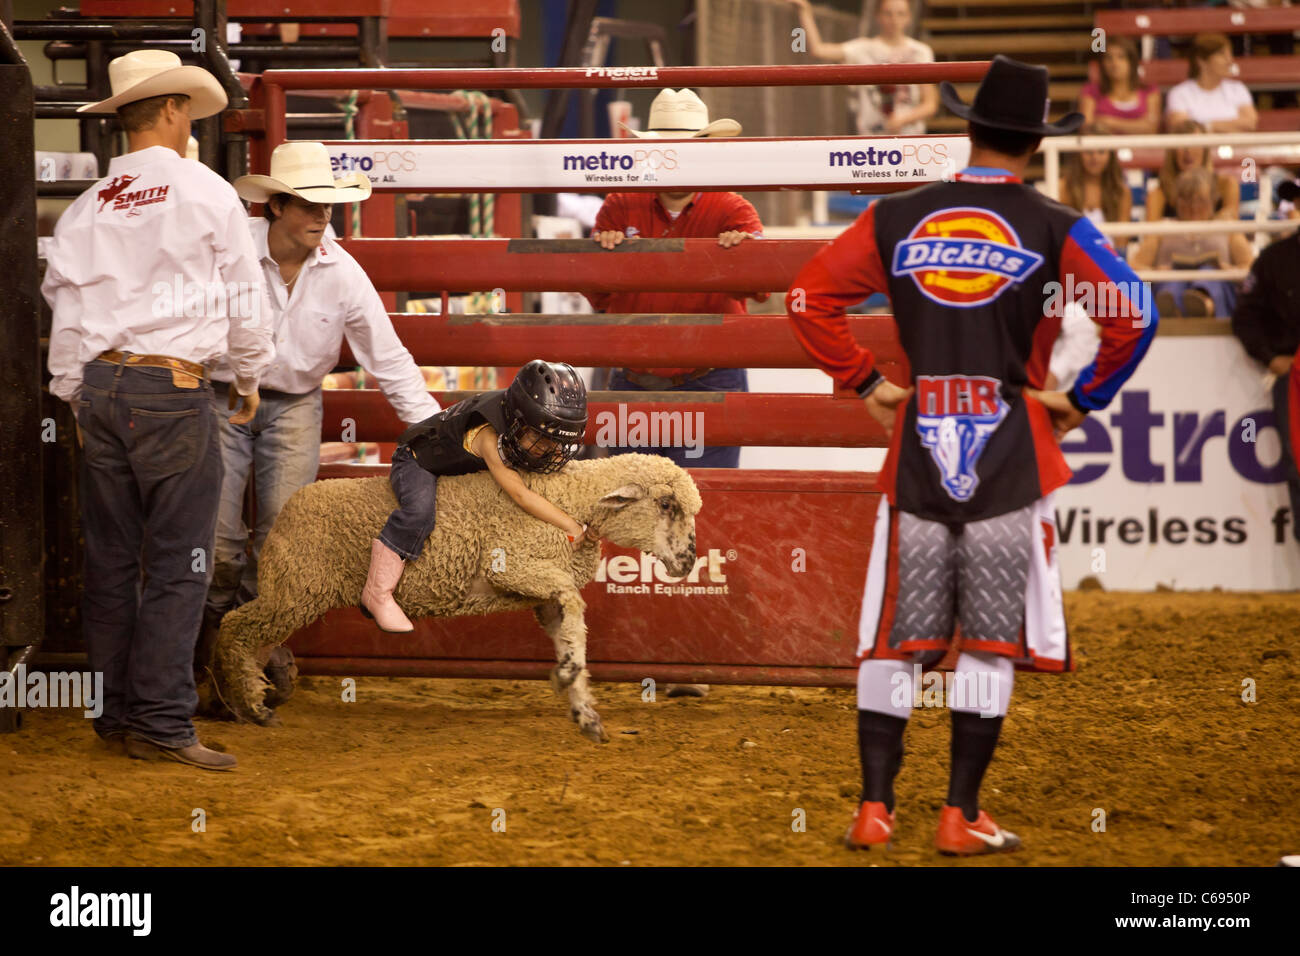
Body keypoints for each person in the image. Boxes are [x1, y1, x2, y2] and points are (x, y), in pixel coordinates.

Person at [786, 55, 1157, 855]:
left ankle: (873, 810)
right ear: (1034, 142)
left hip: (919, 442)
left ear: (969, 127)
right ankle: (959, 814)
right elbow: (1137, 314)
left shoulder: (897, 217)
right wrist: (1080, 399)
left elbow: (805, 296)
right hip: (1010, 450)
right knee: (989, 635)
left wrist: (865, 382)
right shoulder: (1058, 226)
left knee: (896, 633)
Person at [42, 50, 275, 771]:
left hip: (103, 386)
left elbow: (66, 306)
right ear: (173, 109)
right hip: (171, 390)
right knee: (181, 560)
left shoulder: (89, 206)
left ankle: (113, 714)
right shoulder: (207, 194)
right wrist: (249, 374)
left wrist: (72, 391)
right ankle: (164, 722)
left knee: (111, 558)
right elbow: (244, 295)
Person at [200, 142, 440, 671]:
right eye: (309, 203)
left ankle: (244, 654)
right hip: (222, 395)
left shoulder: (342, 271)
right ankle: (214, 651)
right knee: (216, 541)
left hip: (293, 403)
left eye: (327, 204)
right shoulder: (231, 252)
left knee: (280, 538)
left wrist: (434, 431)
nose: (322, 214)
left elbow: (388, 357)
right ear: (277, 207)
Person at [587, 88, 764, 470]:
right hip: (638, 380)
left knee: (704, 501)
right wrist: (604, 256)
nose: (675, 162)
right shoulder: (619, 205)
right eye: (667, 151)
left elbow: (762, 280)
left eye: (685, 152)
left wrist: (746, 252)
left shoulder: (733, 210)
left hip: (708, 379)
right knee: (632, 507)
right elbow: (596, 293)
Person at [365, 360, 591, 632]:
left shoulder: (517, 425)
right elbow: (520, 494)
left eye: (556, 441)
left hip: (457, 465)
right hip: (417, 460)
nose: (550, 449)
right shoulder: (487, 436)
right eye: (542, 439)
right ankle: (377, 593)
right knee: (419, 514)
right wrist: (570, 526)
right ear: (518, 422)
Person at [1232, 219, 1300, 539]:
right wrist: (1270, 356)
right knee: (1297, 463)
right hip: (1294, 378)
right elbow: (1245, 315)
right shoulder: (1274, 259)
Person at [787, 0, 938, 136]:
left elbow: (930, 103)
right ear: (878, 16)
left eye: (900, 13)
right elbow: (818, 49)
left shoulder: (921, 51)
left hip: (910, 139)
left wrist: (902, 119)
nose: (894, 19)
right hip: (870, 139)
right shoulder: (862, 48)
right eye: (888, 13)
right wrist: (804, 12)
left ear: (909, 17)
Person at [1132, 166, 1255, 318]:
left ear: (1213, 200)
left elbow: (1250, 266)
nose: (1194, 207)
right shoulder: (1162, 229)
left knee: (1208, 274)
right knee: (1173, 282)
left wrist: (1227, 269)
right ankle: (1171, 308)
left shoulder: (1227, 228)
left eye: (1200, 200)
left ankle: (1204, 303)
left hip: (1216, 285)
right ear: (1176, 201)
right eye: (1186, 200)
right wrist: (1157, 272)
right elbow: (1135, 266)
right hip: (1170, 280)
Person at [1145, 118, 1240, 221]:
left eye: (1194, 144)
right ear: (1172, 153)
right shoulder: (1158, 194)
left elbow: (1234, 233)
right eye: (1182, 145)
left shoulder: (1226, 185)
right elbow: (1150, 236)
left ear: (1205, 150)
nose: (1188, 151)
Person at [1058, 125, 1134, 251]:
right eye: (1088, 151)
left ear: (1110, 156)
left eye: (1101, 151)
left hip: (1109, 263)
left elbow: (1121, 244)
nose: (1095, 157)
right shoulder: (1065, 187)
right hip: (1073, 263)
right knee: (1068, 272)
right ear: (1079, 155)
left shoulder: (1122, 191)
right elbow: (1061, 238)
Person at [1165, 32, 1258, 133]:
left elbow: (1250, 124)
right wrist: (1233, 126)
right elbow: (1184, 128)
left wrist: (1206, 126)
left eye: (1230, 54)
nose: (1230, 60)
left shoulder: (1237, 89)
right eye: (1222, 55)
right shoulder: (1180, 93)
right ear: (1201, 61)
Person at [1079, 36, 1161, 135]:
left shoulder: (1149, 90)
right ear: (1102, 64)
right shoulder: (1091, 91)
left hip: (1142, 149)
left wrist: (1109, 122)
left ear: (1131, 62)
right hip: (1105, 149)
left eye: (1121, 57)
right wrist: (1138, 125)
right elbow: (1087, 128)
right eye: (1109, 58)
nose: (1115, 63)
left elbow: (1151, 128)